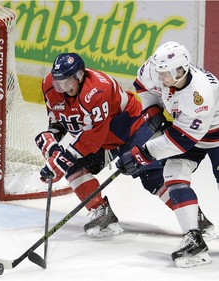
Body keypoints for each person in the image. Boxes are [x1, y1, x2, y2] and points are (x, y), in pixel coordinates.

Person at [35, 52, 216, 239]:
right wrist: (52, 143)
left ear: (79, 76)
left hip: (132, 130)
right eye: (58, 83)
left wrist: (59, 159)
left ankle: (196, 219)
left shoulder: (98, 89)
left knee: (153, 178)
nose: (62, 89)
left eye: (67, 83)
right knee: (72, 167)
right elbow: (60, 120)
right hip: (103, 141)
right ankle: (101, 211)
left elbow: (93, 137)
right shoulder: (49, 86)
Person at [117, 41, 219, 267]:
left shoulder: (198, 96)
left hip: (212, 134)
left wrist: (143, 154)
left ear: (180, 71)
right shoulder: (157, 69)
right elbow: (142, 86)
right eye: (159, 72)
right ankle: (193, 238)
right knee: (173, 174)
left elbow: (182, 140)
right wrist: (152, 109)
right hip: (190, 132)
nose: (159, 78)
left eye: (165, 75)